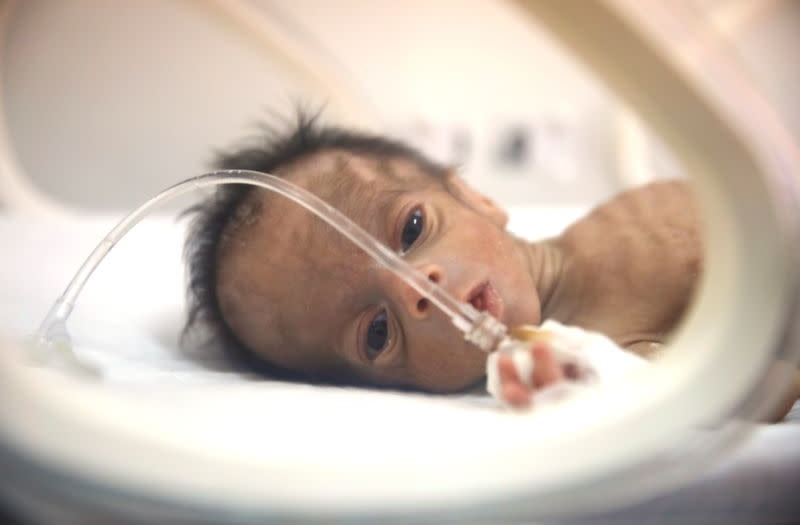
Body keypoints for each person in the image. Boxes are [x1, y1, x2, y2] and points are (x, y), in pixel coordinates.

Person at [182, 113, 708, 408]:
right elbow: (749, 388)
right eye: (376, 333)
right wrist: (594, 391)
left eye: (412, 229)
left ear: (478, 199)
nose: (414, 286)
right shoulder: (599, 362)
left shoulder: (616, 228)